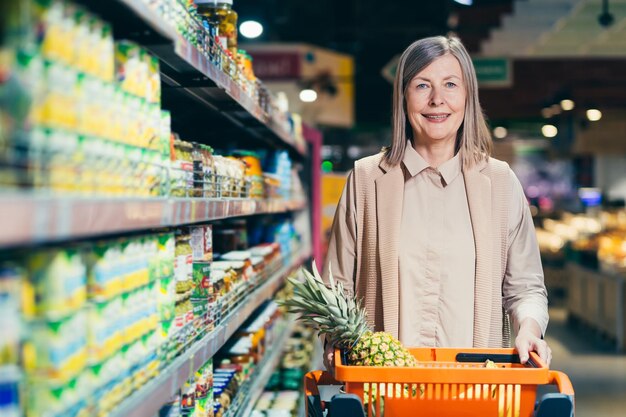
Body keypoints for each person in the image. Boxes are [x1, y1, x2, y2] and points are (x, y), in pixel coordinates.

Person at [322, 35, 551, 371]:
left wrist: (530, 329)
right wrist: (334, 343)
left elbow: (526, 287)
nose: (437, 100)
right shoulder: (366, 180)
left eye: (450, 84)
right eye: (422, 86)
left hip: (475, 387)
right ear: (403, 97)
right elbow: (336, 285)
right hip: (383, 387)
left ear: (467, 96)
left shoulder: (500, 183)